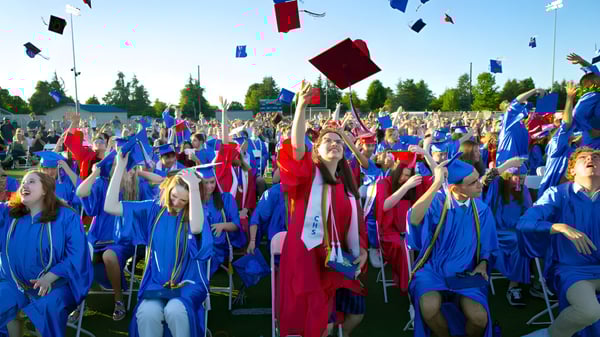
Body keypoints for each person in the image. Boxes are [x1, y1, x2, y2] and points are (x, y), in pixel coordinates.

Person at [277, 81, 368, 337]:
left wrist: (361, 248)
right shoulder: (308, 176)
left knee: (356, 312)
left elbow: (357, 225)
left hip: (339, 261)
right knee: (321, 325)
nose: (334, 143)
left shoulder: (348, 187)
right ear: (315, 149)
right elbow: (296, 148)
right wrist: (301, 107)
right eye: (326, 140)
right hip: (309, 259)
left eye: (338, 141)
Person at [104, 153, 213, 337]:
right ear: (168, 189)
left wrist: (194, 187)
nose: (176, 203)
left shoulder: (197, 214)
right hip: (156, 282)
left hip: (189, 282)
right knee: (147, 314)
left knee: (175, 311)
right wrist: (120, 167)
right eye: (174, 196)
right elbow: (110, 207)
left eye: (183, 201)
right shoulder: (154, 209)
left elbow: (195, 228)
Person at [407, 158, 499, 337]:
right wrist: (436, 184)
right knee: (428, 306)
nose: (480, 185)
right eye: (472, 183)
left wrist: (483, 263)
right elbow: (413, 219)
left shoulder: (481, 210)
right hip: (433, 269)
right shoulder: (438, 203)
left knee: (479, 317)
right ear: (454, 188)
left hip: (466, 271)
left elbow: (488, 246)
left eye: (478, 179)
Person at [0, 171, 92, 337]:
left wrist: (51, 276)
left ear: (45, 190)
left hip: (54, 286)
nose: (24, 186)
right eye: (23, 183)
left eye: (31, 182)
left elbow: (77, 254)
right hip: (15, 284)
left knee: (50, 305)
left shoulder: (66, 217)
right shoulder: (9, 214)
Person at [520, 147, 600, 337]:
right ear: (572, 170)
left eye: (596, 157)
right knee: (589, 311)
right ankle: (549, 335)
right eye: (583, 158)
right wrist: (560, 227)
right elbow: (526, 222)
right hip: (571, 269)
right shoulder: (558, 194)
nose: (591, 159)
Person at [75, 152, 138, 321]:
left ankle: (118, 300)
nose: (125, 171)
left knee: (109, 255)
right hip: (97, 236)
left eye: (127, 168)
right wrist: (95, 172)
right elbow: (81, 192)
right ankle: (79, 301)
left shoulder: (136, 187)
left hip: (122, 241)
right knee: (78, 255)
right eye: (118, 167)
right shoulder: (103, 184)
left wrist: (141, 172)